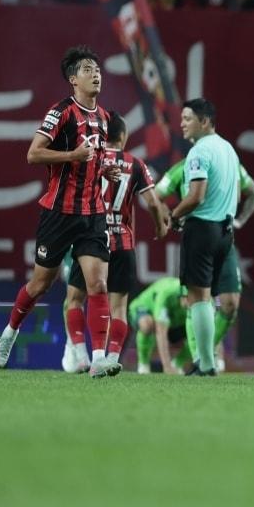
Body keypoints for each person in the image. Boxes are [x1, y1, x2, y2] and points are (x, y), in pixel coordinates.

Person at [0, 45, 120, 375]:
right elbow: (33, 154)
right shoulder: (61, 112)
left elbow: (93, 157)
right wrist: (71, 157)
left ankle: (99, 359)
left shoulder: (105, 118)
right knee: (40, 285)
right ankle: (10, 332)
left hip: (93, 213)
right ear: (73, 79)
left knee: (98, 285)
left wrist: (105, 170)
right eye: (88, 69)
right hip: (59, 213)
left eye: (98, 69)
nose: (96, 74)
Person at [61, 112, 167, 375]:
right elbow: (153, 202)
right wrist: (159, 225)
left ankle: (81, 356)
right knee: (119, 306)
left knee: (74, 300)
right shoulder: (136, 164)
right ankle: (111, 357)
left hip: (90, 242)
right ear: (124, 136)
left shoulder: (90, 161)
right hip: (123, 243)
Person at [155, 155, 254, 373]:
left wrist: (241, 220)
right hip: (195, 239)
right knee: (193, 302)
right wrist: (169, 217)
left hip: (224, 238)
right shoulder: (183, 168)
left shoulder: (230, 164)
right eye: (183, 118)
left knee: (230, 304)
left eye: (188, 118)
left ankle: (203, 354)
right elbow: (156, 195)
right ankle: (200, 360)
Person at [161, 98, 241, 377]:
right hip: (225, 232)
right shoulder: (229, 150)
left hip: (202, 229)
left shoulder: (198, 152)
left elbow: (196, 196)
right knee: (209, 299)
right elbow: (237, 191)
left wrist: (174, 215)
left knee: (198, 298)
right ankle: (206, 362)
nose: (181, 124)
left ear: (204, 121)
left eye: (187, 119)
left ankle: (205, 363)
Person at [128, 276, 191, 374]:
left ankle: (177, 364)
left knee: (200, 333)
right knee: (147, 324)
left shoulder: (203, 300)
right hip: (144, 308)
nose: (190, 303)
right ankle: (143, 365)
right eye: (188, 298)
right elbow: (161, 333)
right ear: (181, 294)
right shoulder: (167, 294)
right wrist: (167, 367)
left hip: (174, 323)